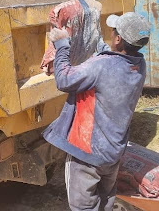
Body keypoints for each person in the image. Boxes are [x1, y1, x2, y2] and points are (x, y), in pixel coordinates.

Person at [43, 11, 150, 211]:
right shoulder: (139, 65)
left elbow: (65, 79)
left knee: (83, 207)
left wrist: (62, 45)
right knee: (106, 200)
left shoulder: (102, 66)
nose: (111, 34)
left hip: (87, 153)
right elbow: (111, 58)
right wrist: (94, 39)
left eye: (113, 32)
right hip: (113, 152)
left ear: (118, 39)